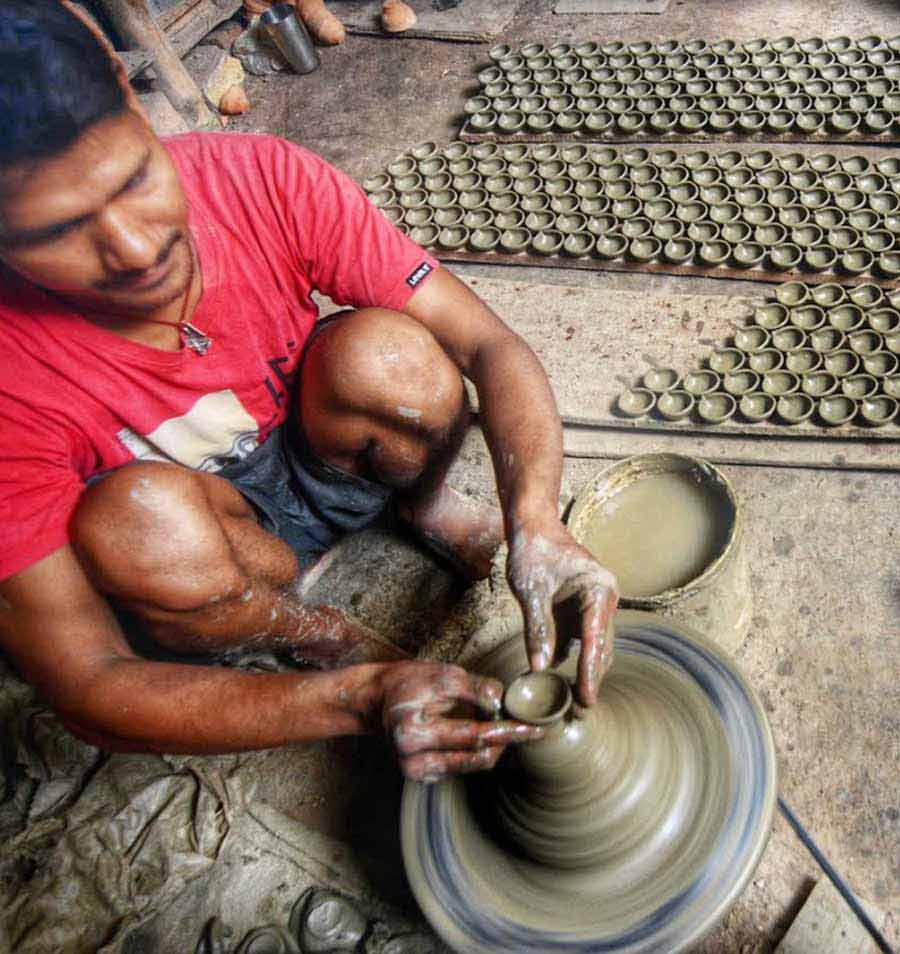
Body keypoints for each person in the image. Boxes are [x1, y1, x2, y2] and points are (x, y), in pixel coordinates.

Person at [0, 0, 618, 782]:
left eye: (134, 179)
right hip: (205, 542)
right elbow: (86, 680)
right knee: (140, 526)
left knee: (393, 357)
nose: (133, 248)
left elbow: (488, 344)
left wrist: (536, 519)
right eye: (52, 232)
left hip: (312, 446)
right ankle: (309, 630)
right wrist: (354, 697)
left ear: (128, 90)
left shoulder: (257, 177)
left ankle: (422, 507)